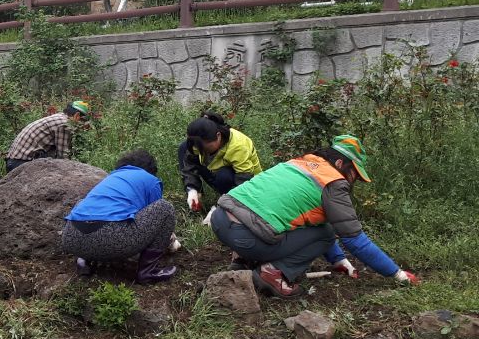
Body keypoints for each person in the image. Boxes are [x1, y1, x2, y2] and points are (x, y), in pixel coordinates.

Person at [210, 134, 419, 298]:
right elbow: (354, 239)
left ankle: (243, 261)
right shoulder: (334, 182)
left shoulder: (301, 162)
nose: (352, 180)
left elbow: (304, 220)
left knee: (288, 220)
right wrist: (396, 273)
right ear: (339, 164)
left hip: (220, 220)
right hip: (246, 236)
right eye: (353, 173)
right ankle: (273, 274)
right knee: (326, 234)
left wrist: (338, 260)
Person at [61, 149, 178, 284]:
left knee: (83, 203)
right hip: (110, 240)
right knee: (165, 208)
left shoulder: (111, 178)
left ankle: (83, 259)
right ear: (150, 169)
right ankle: (148, 271)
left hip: (71, 238)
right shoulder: (151, 180)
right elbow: (155, 220)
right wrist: (170, 241)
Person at [179, 112, 262, 212]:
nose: (205, 153)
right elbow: (189, 163)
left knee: (224, 175)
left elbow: (244, 182)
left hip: (246, 183)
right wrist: (192, 189)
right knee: (184, 148)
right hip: (214, 173)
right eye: (200, 149)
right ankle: (198, 195)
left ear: (218, 136)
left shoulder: (238, 146)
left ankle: (227, 201)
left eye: (207, 149)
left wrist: (221, 208)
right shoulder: (199, 144)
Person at [6, 100, 91, 172]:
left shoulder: (60, 117)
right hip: (21, 163)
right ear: (77, 116)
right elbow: (63, 157)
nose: (82, 125)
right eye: (83, 121)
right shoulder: (65, 124)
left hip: (14, 160)